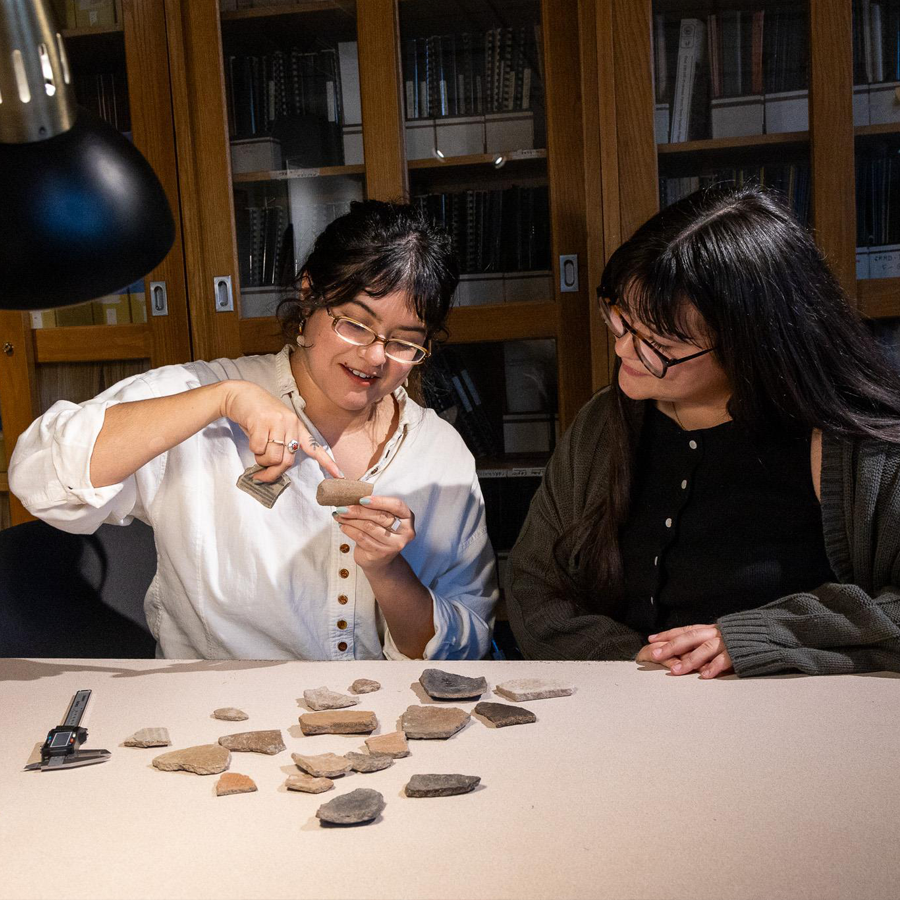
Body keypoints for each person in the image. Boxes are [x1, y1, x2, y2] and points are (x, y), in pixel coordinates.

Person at [9, 200, 497, 660]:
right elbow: (41, 479)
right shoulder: (207, 391)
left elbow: (470, 649)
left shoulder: (438, 454)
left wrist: (389, 573)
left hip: (382, 721)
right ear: (310, 295)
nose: (373, 356)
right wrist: (221, 400)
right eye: (354, 323)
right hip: (217, 722)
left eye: (403, 343)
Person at [506, 183, 900, 678]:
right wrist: (632, 662)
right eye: (620, 320)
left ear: (751, 344)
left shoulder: (852, 445)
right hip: (623, 715)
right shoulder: (604, 425)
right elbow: (533, 586)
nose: (624, 351)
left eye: (659, 344)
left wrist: (757, 639)